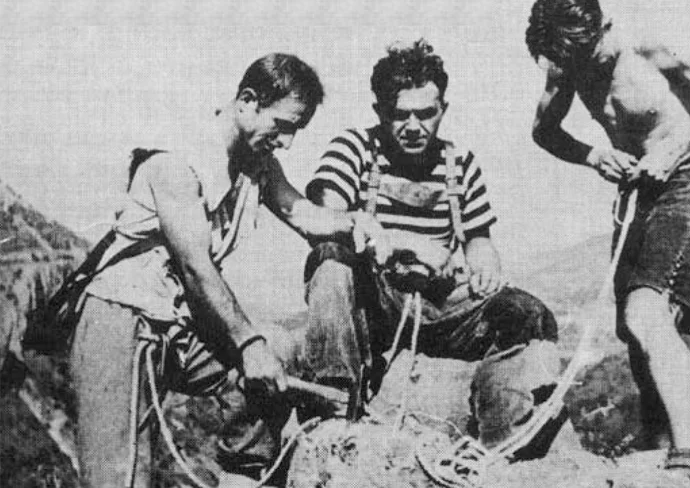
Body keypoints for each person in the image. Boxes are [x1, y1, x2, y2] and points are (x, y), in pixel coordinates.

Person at [69, 53, 388, 487]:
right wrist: (249, 344)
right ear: (248, 102)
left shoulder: (256, 165)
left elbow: (303, 214)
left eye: (296, 130)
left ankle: (244, 476)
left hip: (179, 325)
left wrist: (357, 223)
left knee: (273, 357)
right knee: (119, 477)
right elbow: (195, 268)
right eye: (283, 125)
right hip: (121, 319)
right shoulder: (176, 163)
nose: (287, 142)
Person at [526, 0, 690, 487]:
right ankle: (659, 450)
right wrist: (593, 155)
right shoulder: (568, 62)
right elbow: (544, 131)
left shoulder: (650, 46)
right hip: (640, 197)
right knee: (635, 331)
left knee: (647, 313)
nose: (579, 69)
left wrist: (674, 151)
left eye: (585, 54)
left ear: (603, 27)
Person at [303, 39, 559, 450]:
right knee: (329, 259)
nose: (413, 126)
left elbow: (479, 240)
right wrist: (406, 243)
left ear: (443, 110)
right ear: (380, 112)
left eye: (425, 114)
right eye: (399, 114)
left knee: (525, 312)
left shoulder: (460, 164)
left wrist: (485, 265)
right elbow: (324, 221)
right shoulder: (353, 149)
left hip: (437, 304)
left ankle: (505, 444)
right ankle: (334, 409)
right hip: (374, 304)